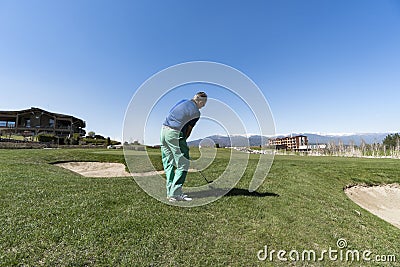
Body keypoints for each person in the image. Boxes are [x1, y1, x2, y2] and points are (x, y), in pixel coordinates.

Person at [160, 92, 207, 202]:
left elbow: (171, 113)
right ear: (200, 101)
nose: (203, 106)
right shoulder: (196, 112)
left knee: (169, 162)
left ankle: (170, 192)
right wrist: (183, 141)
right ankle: (175, 194)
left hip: (163, 131)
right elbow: (189, 130)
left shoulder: (182, 101)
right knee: (183, 163)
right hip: (175, 133)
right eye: (204, 103)